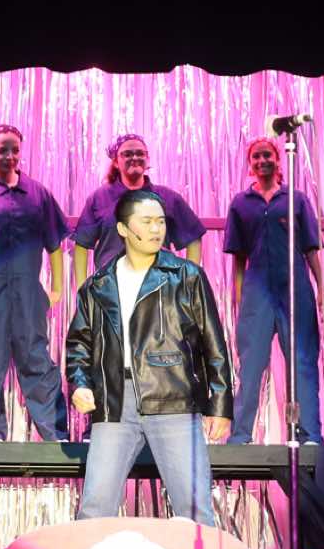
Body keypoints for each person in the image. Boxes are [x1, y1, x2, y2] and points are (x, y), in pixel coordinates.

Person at [67, 190, 233, 524]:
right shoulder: (97, 285)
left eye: (160, 222)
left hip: (172, 396)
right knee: (95, 507)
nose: (157, 229)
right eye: (147, 222)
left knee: (194, 507)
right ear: (123, 229)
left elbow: (213, 343)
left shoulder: (186, 276)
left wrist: (220, 405)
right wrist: (79, 384)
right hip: (115, 400)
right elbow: (79, 344)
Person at [0, 124, 71, 441]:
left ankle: (54, 432)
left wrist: (57, 289)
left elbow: (55, 243)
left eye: (14, 150)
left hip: (28, 292)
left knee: (36, 359)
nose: (9, 156)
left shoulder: (37, 194)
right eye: (2, 150)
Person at [224, 135, 324, 445]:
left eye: (267, 155)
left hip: (294, 290)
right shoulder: (241, 203)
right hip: (257, 292)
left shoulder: (295, 199)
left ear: (277, 159)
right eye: (256, 157)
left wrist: (321, 289)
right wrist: (238, 297)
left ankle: (309, 434)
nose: (262, 161)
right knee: (251, 365)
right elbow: (238, 259)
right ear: (250, 163)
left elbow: (311, 250)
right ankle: (240, 435)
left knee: (302, 363)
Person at [70, 134, 206, 278]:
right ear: (116, 162)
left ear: (147, 159)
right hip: (110, 285)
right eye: (127, 154)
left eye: (140, 153)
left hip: (157, 285)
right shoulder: (99, 198)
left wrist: (189, 280)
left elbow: (193, 238)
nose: (134, 158)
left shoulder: (168, 198)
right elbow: (82, 244)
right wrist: (82, 287)